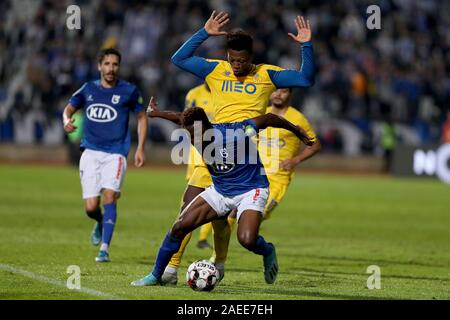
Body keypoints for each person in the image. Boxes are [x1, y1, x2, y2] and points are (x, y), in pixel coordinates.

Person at [162, 10, 315, 282]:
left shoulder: (267, 75)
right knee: (187, 211)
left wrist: (306, 45)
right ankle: (171, 269)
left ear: (251, 58)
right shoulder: (216, 69)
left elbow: (305, 79)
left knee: (224, 220)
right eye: (232, 59)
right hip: (211, 151)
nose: (236, 65)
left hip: (242, 159)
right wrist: (204, 33)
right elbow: (178, 59)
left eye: (241, 60)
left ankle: (220, 262)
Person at [131, 97, 314, 286]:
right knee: (179, 227)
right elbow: (179, 117)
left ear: (207, 127)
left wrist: (296, 130)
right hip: (220, 191)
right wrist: (154, 113)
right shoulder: (194, 128)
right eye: (191, 135)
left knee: (247, 239)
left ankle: (267, 250)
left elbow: (268, 119)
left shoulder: (238, 132)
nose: (195, 140)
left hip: (251, 190)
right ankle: (155, 276)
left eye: (197, 135)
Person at [62, 48, 148, 262]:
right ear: (99, 66)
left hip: (116, 153)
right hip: (90, 152)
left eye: (115, 64)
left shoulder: (129, 91)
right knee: (91, 207)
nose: (111, 68)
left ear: (119, 67)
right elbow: (68, 110)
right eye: (107, 64)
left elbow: (142, 117)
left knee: (110, 196)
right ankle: (99, 221)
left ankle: (104, 249)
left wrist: (140, 147)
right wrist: (66, 121)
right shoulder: (88, 89)